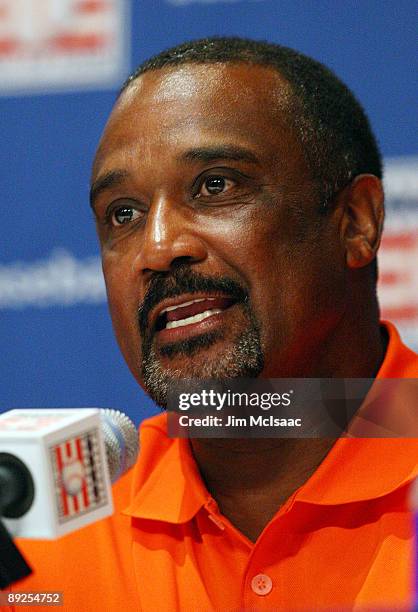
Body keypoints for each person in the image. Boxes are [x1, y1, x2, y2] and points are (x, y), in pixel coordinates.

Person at [10, 37, 418, 611]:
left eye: (215, 186)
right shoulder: (37, 528)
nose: (157, 247)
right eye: (123, 214)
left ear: (354, 221)